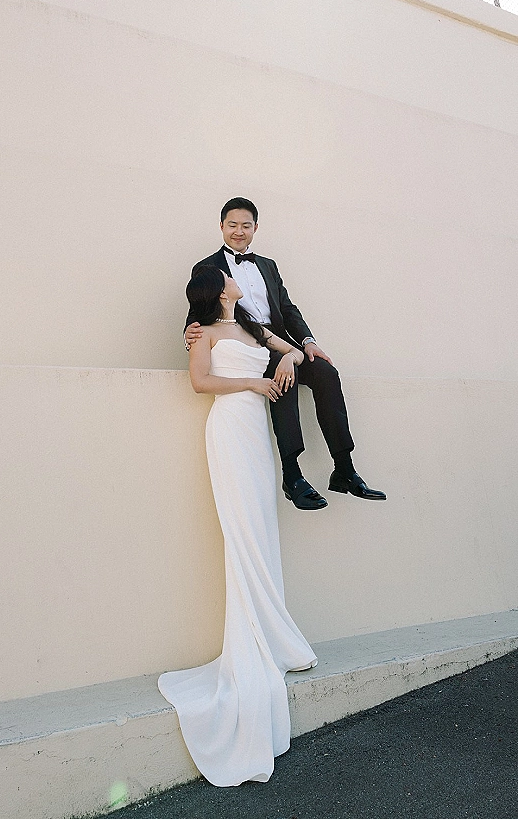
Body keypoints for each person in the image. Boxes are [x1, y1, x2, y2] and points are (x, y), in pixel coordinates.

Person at [158, 265, 318, 787]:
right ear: (215, 289)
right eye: (228, 278)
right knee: (243, 530)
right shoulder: (202, 333)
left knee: (263, 528)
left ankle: (273, 633)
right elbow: (200, 381)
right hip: (229, 426)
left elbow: (287, 347)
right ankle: (252, 639)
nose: (235, 279)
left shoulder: (249, 323)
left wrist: (290, 358)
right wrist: (254, 380)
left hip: (255, 431)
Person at [185, 197, 386, 509]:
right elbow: (198, 308)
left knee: (325, 372)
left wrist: (307, 342)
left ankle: (344, 468)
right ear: (222, 226)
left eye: (246, 226)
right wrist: (189, 332)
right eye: (233, 225)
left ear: (255, 228)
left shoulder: (268, 265)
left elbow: (288, 309)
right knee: (284, 380)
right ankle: (292, 475)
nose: (239, 231)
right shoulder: (207, 267)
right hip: (246, 341)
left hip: (278, 339)